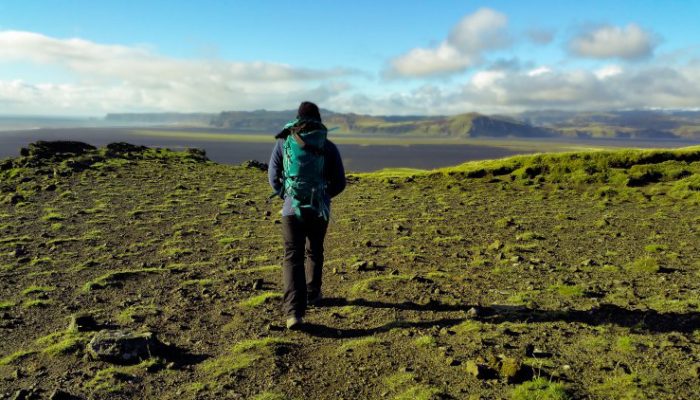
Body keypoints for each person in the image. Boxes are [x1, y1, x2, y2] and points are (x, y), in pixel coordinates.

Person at [268, 101, 346, 330]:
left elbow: (273, 176)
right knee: (315, 249)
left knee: (293, 256)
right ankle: (313, 292)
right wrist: (323, 197)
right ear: (319, 119)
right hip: (319, 210)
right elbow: (340, 182)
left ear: (297, 118)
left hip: (291, 210)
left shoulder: (284, 143)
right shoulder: (328, 146)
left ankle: (294, 312)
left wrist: (287, 195)